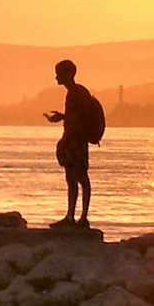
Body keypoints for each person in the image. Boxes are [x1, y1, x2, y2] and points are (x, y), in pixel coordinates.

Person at [44, 59, 100, 226]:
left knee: (79, 177)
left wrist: (62, 118)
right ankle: (72, 216)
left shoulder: (75, 93)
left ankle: (79, 217)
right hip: (75, 140)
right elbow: (76, 116)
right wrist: (63, 117)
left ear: (67, 74)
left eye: (58, 73)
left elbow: (78, 119)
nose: (56, 77)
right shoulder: (77, 92)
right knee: (73, 178)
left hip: (76, 141)